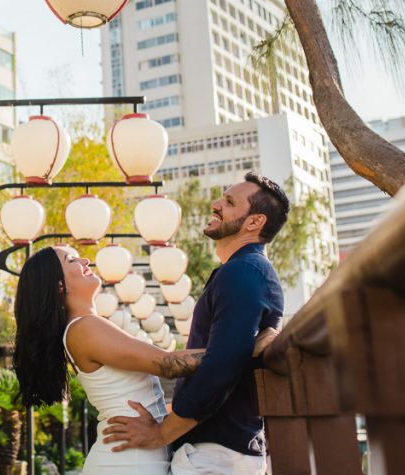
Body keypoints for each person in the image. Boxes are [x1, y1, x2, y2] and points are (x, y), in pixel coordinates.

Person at [102, 172, 289, 475]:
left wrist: (161, 433)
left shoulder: (245, 272)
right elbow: (230, 357)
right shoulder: (241, 271)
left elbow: (221, 367)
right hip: (217, 454)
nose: (216, 204)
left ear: (254, 222)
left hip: (217, 458)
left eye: (229, 202)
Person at [14, 244, 208, 474]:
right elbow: (168, 365)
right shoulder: (84, 328)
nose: (85, 261)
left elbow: (140, 397)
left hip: (132, 456)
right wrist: (240, 348)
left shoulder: (84, 327)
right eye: (72, 260)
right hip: (126, 461)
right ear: (59, 285)